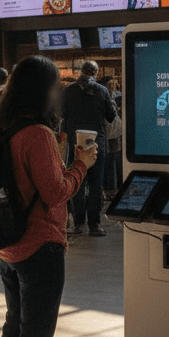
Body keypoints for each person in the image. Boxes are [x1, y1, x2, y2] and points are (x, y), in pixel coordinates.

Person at [0, 57, 96, 337]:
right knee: (36, 336)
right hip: (40, 245)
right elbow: (55, 192)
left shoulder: (3, 127)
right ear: (43, 91)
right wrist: (81, 165)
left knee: (14, 325)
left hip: (7, 244)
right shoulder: (38, 134)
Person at [63, 61, 117, 237]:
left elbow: (62, 114)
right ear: (96, 72)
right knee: (96, 184)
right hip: (96, 142)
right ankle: (94, 225)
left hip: (76, 142)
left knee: (77, 182)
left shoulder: (68, 90)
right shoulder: (101, 91)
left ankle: (78, 223)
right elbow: (110, 116)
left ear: (81, 71)